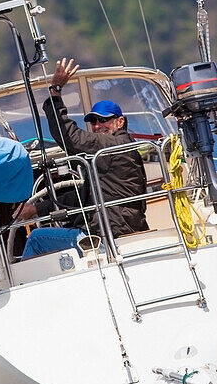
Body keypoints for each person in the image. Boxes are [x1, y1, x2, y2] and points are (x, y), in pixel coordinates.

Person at [16, 58, 148, 259]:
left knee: (36, 238)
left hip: (109, 235)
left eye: (103, 120)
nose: (97, 126)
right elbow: (81, 196)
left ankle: (22, 290)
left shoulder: (112, 147)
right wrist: (36, 208)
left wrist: (56, 90)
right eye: (94, 121)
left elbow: (70, 137)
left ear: (120, 122)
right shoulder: (113, 151)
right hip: (119, 229)